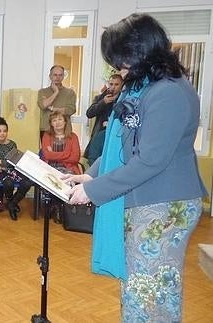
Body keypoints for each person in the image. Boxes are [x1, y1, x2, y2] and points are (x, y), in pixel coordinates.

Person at [65, 13, 207, 322]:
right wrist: (92, 173)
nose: (118, 68)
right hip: (146, 199)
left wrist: (92, 190)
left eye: (120, 59)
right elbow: (120, 143)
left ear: (141, 51)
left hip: (164, 206)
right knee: (142, 289)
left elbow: (150, 160)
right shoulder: (142, 86)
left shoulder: (168, 92)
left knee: (151, 293)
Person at [0, 117, 33, 221]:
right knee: (8, 183)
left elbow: (13, 161)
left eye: (4, 131)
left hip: (11, 169)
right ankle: (11, 202)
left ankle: (12, 203)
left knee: (28, 182)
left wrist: (0, 161)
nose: (2, 133)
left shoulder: (12, 144)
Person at [84, 74, 123, 163]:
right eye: (111, 84)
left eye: (116, 84)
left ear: (121, 86)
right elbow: (89, 113)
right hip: (99, 135)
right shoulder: (100, 98)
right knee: (94, 161)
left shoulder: (124, 99)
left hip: (115, 136)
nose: (113, 87)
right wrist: (102, 103)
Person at [37, 65, 77, 137]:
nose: (57, 77)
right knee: (47, 149)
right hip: (46, 129)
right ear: (50, 76)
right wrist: (56, 92)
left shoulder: (70, 92)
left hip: (64, 130)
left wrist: (52, 109)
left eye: (60, 75)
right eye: (55, 75)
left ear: (63, 76)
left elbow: (70, 110)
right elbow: (43, 105)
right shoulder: (42, 92)